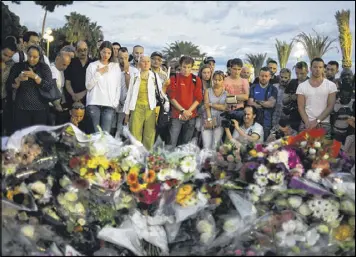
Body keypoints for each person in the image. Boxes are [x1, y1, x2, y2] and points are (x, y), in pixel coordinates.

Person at [123, 55, 167, 150]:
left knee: (149, 134)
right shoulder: (134, 76)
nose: (146, 63)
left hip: (151, 108)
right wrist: (127, 114)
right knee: (135, 134)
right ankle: (135, 154)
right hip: (136, 108)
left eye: (148, 61)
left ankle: (147, 156)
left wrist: (166, 105)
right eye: (143, 61)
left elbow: (161, 94)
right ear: (139, 64)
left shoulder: (154, 76)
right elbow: (129, 95)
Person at [6, 45, 53, 131]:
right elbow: (9, 85)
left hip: (40, 110)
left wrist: (35, 77)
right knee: (22, 136)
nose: (31, 59)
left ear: (40, 56)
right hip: (22, 109)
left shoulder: (44, 68)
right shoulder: (18, 66)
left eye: (35, 57)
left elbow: (49, 86)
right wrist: (18, 79)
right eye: (29, 56)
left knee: (37, 137)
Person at [85, 41, 123, 133]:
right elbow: (88, 86)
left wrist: (115, 102)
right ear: (100, 51)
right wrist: (99, 73)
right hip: (94, 103)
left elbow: (118, 86)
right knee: (94, 133)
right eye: (104, 52)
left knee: (105, 134)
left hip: (109, 105)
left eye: (109, 53)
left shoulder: (115, 67)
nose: (106, 55)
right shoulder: (92, 66)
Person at [167, 56, 203, 148]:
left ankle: (183, 161)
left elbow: (198, 98)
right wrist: (183, 111)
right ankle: (170, 161)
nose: (186, 70)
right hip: (176, 115)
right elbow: (171, 98)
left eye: (189, 67)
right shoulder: (174, 78)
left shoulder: (196, 80)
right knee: (172, 141)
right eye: (184, 67)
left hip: (191, 115)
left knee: (186, 144)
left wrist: (188, 111)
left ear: (192, 67)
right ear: (180, 66)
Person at [297, 57, 338, 136]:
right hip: (306, 123)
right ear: (310, 68)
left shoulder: (331, 86)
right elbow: (300, 107)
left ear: (323, 69)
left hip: (324, 124)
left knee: (324, 148)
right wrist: (307, 123)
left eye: (320, 67)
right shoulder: (302, 86)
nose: (317, 69)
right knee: (303, 147)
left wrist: (317, 121)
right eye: (315, 67)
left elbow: (330, 106)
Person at [64, 41, 94, 132]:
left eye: (85, 50)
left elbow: (95, 82)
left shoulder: (92, 64)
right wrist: (73, 95)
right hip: (72, 99)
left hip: (88, 99)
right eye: (80, 50)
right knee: (72, 124)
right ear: (76, 51)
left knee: (86, 127)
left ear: (88, 50)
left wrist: (83, 93)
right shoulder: (71, 63)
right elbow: (67, 82)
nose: (83, 52)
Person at [248, 67, 278, 140]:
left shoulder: (273, 89)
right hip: (254, 122)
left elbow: (271, 104)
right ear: (259, 76)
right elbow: (249, 102)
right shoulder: (253, 87)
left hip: (267, 122)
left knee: (264, 146)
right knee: (251, 144)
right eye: (262, 76)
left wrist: (257, 101)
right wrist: (264, 103)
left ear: (270, 77)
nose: (263, 78)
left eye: (266, 76)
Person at [114, 47, 138, 139]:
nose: (123, 60)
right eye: (121, 58)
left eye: (125, 58)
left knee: (120, 130)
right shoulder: (113, 69)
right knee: (111, 128)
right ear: (117, 57)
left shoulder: (134, 71)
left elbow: (130, 88)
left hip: (125, 106)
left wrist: (127, 72)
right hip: (112, 104)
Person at [202, 70, 227, 149]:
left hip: (220, 121)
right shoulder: (207, 91)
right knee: (206, 145)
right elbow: (206, 106)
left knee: (215, 145)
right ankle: (205, 160)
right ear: (212, 79)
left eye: (219, 80)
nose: (217, 82)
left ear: (223, 80)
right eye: (215, 79)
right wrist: (210, 120)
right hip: (208, 119)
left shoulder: (226, 93)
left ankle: (212, 161)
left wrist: (212, 104)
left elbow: (225, 107)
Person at [282, 61, 309, 131]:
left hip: (306, 119)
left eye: (302, 73)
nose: (299, 76)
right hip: (293, 118)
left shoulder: (311, 83)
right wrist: (291, 97)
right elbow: (284, 101)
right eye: (297, 73)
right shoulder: (292, 82)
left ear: (307, 71)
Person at [48, 52, 72, 126]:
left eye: (67, 65)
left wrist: (63, 101)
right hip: (51, 105)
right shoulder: (53, 69)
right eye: (64, 64)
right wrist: (57, 105)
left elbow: (60, 87)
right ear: (57, 59)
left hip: (56, 104)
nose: (65, 67)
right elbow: (52, 87)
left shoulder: (60, 70)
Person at [1, 37, 17, 136]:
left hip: (4, 98)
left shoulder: (11, 65)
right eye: (5, 55)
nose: (6, 58)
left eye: (10, 56)